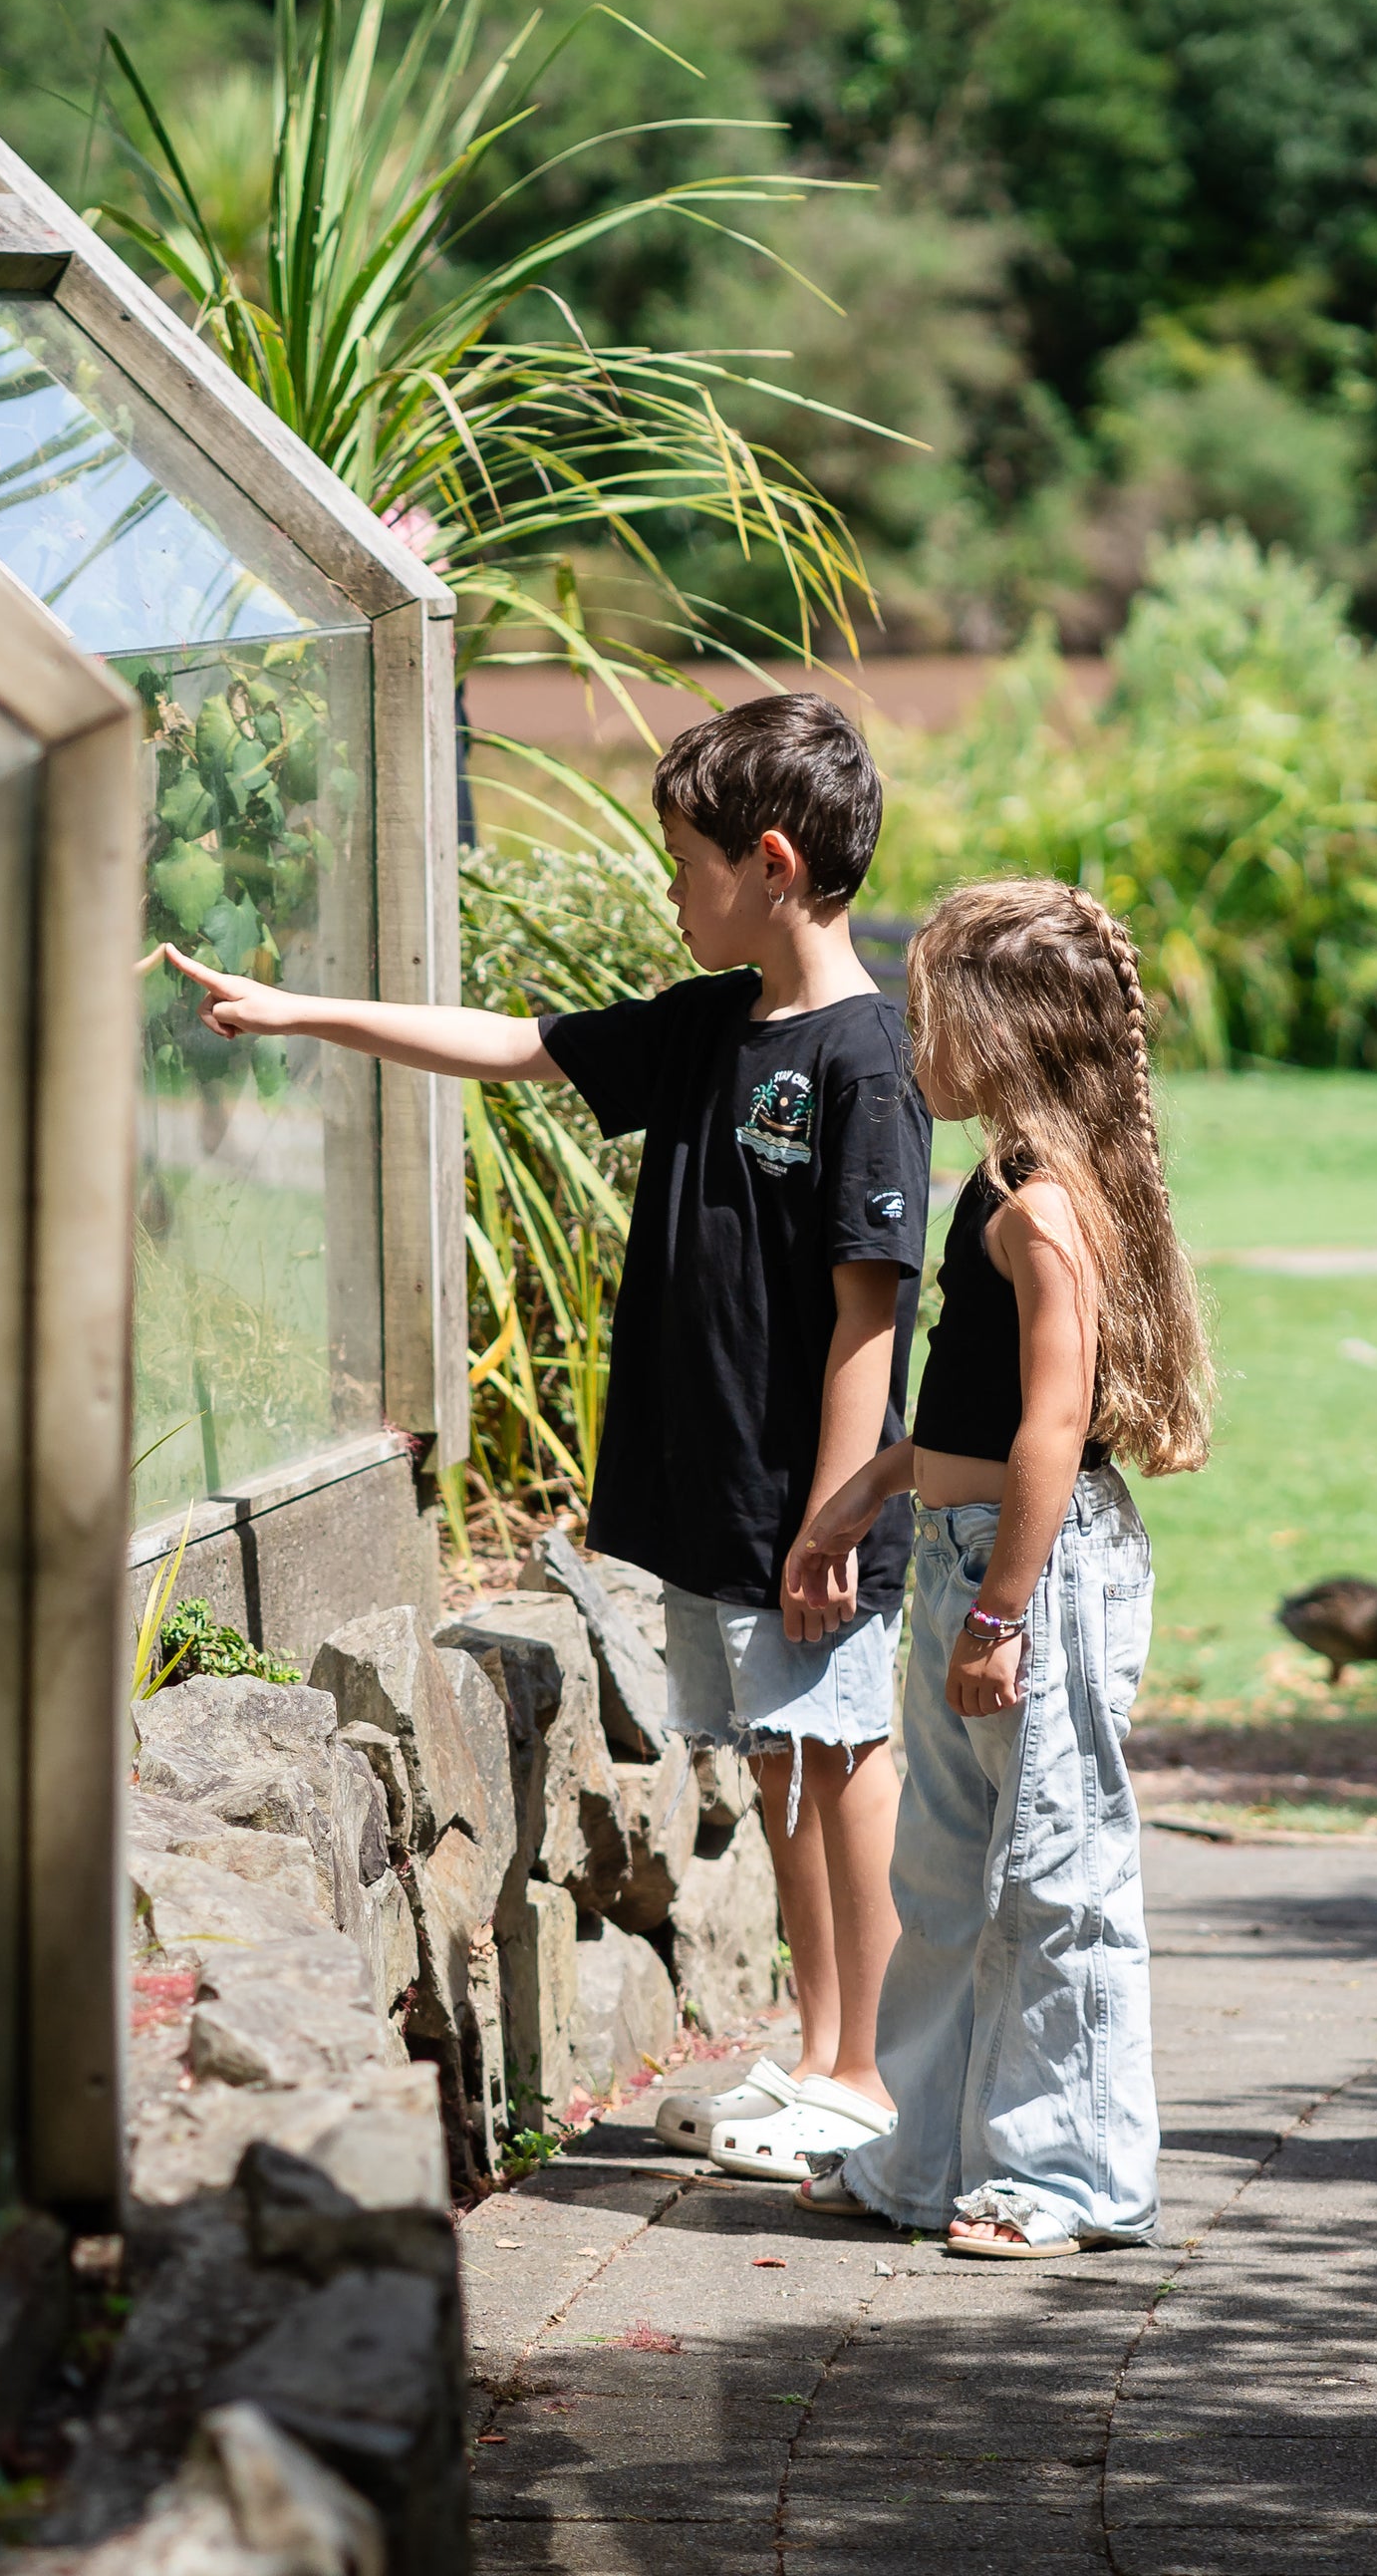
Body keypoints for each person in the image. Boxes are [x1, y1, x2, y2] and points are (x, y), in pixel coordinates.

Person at [168, 694, 926, 2172]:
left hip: (808, 1518)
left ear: (772, 863)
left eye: (687, 860)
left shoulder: (863, 1062)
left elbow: (870, 1316)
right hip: (717, 1506)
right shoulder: (713, 1022)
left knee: (842, 1757)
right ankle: (822, 2051)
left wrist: (834, 1520)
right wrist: (301, 1011)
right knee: (776, 1765)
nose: (672, 886)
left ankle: (878, 2078)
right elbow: (518, 1046)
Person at [779, 876, 1212, 2257]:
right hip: (972, 1557)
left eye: (934, 1013)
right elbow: (972, 1408)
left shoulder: (1041, 1208)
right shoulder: (999, 1185)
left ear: (1008, 1029)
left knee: (1053, 1881)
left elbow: (1054, 1425)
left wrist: (1004, 1612)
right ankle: (924, 2161)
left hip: (1035, 1577)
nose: (916, 1037)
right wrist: (877, 1488)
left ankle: (1070, 2180)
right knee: (950, 1878)